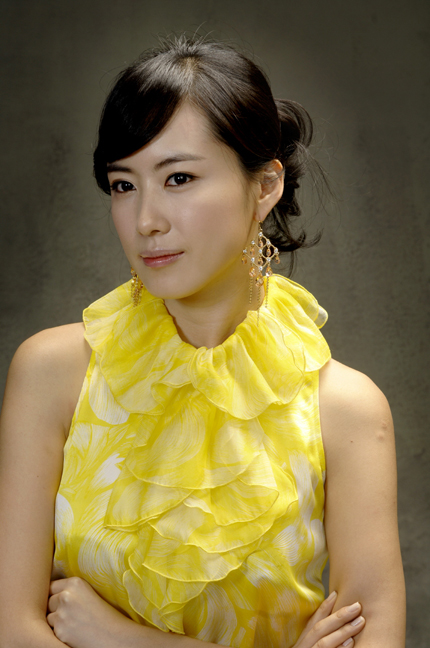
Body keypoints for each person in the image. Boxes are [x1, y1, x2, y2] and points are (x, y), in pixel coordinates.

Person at [0, 36, 405, 648]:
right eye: (123, 185)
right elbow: (14, 632)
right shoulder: (53, 375)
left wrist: (122, 640)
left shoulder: (345, 410)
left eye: (179, 177)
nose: (146, 221)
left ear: (264, 187)